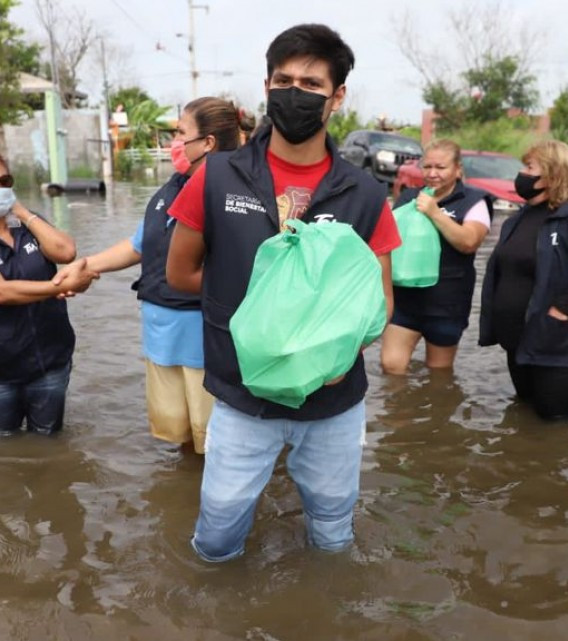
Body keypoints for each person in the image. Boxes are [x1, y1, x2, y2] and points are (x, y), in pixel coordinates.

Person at [165, 23, 402, 562]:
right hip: (241, 396)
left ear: (337, 97)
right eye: (284, 80)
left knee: (333, 535)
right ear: (267, 86)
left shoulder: (365, 194)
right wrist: (261, 317)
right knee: (217, 536)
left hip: (333, 402)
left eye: (312, 84)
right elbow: (180, 273)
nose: (295, 93)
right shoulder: (217, 176)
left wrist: (338, 353)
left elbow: (381, 299)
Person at [53, 97, 253, 455]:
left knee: (218, 445)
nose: (174, 142)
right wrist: (87, 265)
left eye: (181, 133)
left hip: (205, 338)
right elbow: (140, 244)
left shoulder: (235, 195)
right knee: (180, 440)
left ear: (207, 143)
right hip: (162, 336)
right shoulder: (173, 187)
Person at [0, 147, 98, 435]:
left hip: (49, 362)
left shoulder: (28, 227)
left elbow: (66, 251)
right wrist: (61, 286)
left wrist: (23, 213)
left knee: (49, 442)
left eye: (5, 181)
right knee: (3, 447)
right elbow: (0, 292)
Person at [478, 140, 568, 422]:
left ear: (553, 175)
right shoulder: (518, 219)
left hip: (558, 344)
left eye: (530, 167)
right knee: (524, 415)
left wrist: (561, 309)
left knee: (553, 425)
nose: (522, 174)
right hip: (518, 339)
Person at [380, 139, 493, 374]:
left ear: (458, 169)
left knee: (439, 373)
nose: (432, 174)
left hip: (447, 303)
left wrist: (435, 213)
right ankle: (400, 400)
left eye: (441, 167)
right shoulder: (408, 197)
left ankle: (433, 399)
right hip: (404, 300)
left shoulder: (474, 201)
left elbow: (469, 242)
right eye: (427, 167)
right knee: (391, 366)